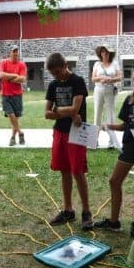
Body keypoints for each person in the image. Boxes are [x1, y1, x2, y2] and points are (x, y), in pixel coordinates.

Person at [94, 65, 134, 236]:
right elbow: (125, 125)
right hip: (129, 146)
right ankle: (114, 222)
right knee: (114, 181)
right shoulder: (131, 99)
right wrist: (108, 126)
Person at [44, 52, 94, 230]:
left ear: (65, 65)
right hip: (60, 132)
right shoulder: (53, 85)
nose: (56, 76)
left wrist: (59, 110)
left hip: (76, 133)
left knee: (77, 171)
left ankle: (86, 212)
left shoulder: (77, 81)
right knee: (64, 171)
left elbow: (75, 108)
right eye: (53, 73)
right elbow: (47, 113)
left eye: (57, 72)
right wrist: (67, 112)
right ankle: (68, 210)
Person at [91, 45, 122, 149]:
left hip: (110, 90)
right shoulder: (97, 64)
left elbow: (119, 77)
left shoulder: (115, 64)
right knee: (97, 115)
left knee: (111, 115)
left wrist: (110, 80)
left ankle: (112, 141)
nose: (105, 54)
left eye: (107, 52)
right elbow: (93, 78)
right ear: (100, 53)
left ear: (110, 53)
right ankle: (94, 141)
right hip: (99, 89)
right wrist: (101, 78)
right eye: (103, 52)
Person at [0, 45, 27, 146]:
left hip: (17, 95)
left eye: (17, 51)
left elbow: (22, 79)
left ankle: (13, 137)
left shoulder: (22, 65)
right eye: (13, 51)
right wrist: (15, 76)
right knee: (11, 115)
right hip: (6, 95)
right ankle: (20, 132)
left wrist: (8, 78)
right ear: (10, 53)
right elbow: (1, 75)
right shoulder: (4, 63)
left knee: (16, 118)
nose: (15, 53)